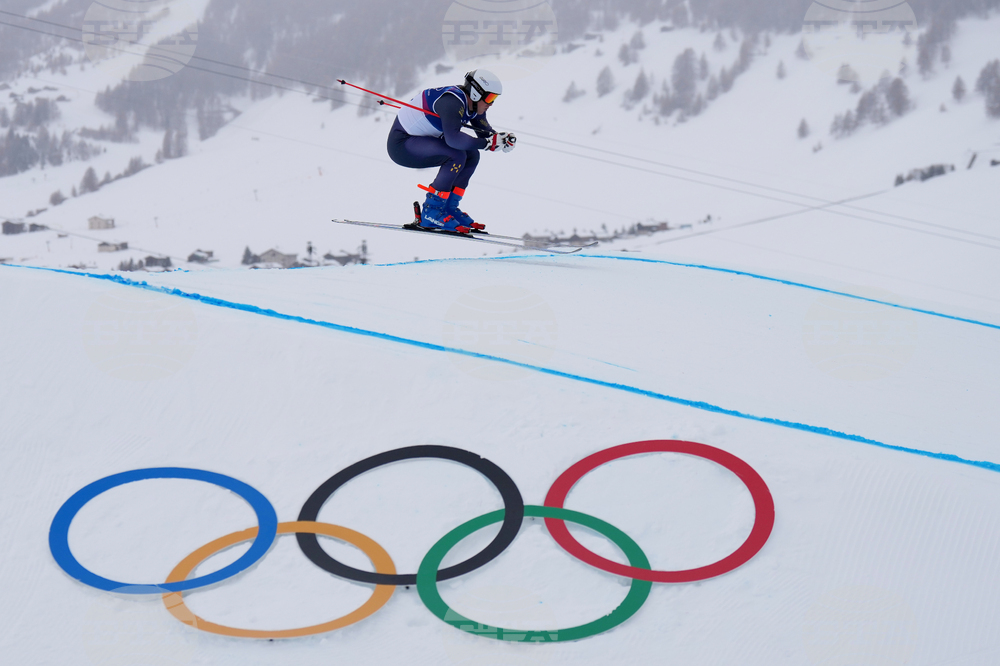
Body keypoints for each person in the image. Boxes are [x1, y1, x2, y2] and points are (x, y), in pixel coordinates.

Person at [386, 69, 516, 233]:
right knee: (456, 154)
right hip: (402, 145)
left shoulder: (473, 105)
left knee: (471, 154)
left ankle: (447, 208)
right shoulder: (452, 102)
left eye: (494, 99)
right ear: (476, 93)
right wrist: (487, 143)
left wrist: (501, 139)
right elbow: (453, 139)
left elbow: (484, 133)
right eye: (490, 98)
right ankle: (431, 212)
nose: (491, 104)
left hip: (417, 142)